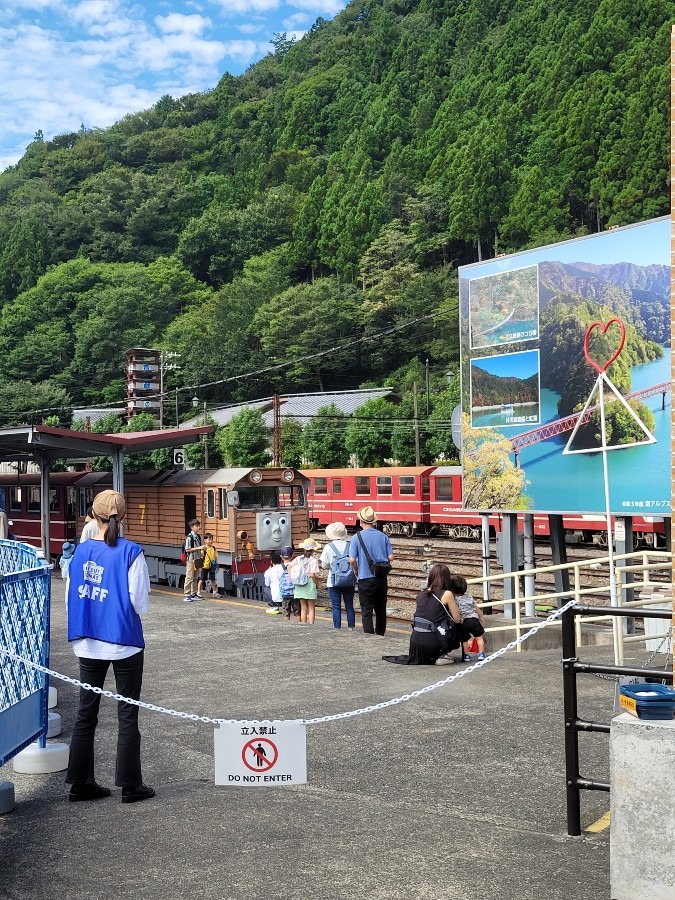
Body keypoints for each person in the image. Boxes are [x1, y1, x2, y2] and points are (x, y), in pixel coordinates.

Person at [64, 489, 154, 803]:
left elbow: (69, 596)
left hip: (87, 642)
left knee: (85, 714)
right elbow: (139, 603)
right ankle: (130, 785)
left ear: (94, 514)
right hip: (124, 642)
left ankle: (80, 783)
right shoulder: (131, 552)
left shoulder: (80, 551)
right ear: (124, 516)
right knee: (127, 714)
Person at [383, 563, 461, 665]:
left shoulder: (421, 594)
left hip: (416, 645)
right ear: (447, 578)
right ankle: (439, 655)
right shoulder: (447, 594)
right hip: (431, 643)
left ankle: (435, 655)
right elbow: (457, 619)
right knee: (458, 627)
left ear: (431, 577)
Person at [349, 506, 393, 636]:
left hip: (365, 578)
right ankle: (380, 634)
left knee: (366, 610)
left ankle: (369, 635)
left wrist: (356, 569)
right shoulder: (383, 536)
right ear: (373, 521)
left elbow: (352, 559)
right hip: (381, 578)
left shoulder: (357, 537)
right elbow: (391, 557)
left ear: (361, 521)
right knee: (380, 610)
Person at [320, 521, 355, 631]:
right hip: (349, 580)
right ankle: (351, 628)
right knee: (349, 605)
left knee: (336, 606)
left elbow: (324, 565)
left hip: (333, 581)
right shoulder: (350, 545)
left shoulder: (328, 547)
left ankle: (337, 628)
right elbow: (355, 561)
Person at [448, 573, 486, 662]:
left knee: (464, 640)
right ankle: (481, 654)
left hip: (463, 622)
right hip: (473, 620)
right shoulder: (469, 596)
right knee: (479, 637)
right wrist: (480, 616)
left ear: (451, 590)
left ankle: (466, 655)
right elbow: (475, 607)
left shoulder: (453, 599)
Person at [292, 538, 321, 625]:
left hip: (299, 583)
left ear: (304, 549)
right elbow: (312, 575)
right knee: (311, 607)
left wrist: (292, 576)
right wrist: (318, 584)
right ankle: (311, 624)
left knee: (303, 607)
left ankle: (304, 624)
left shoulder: (298, 559)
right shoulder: (313, 560)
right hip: (309, 583)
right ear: (313, 551)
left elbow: (289, 566)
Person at [183, 518, 205, 602]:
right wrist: (199, 547)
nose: (199, 527)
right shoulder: (189, 537)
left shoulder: (198, 537)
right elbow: (187, 549)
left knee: (195, 577)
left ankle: (193, 593)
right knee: (189, 577)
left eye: (199, 526)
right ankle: (187, 594)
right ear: (192, 527)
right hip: (191, 559)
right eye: (197, 526)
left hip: (197, 559)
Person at [279, 546, 300, 622]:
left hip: (285, 593)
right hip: (295, 592)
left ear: (281, 556)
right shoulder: (295, 566)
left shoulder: (279, 567)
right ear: (293, 555)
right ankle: (299, 624)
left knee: (286, 611)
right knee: (297, 610)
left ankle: (287, 625)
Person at [264, 550, 283, 615]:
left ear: (271, 561)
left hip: (276, 599)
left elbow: (267, 584)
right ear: (281, 560)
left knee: (266, 588)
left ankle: (274, 606)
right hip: (288, 597)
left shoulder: (268, 572)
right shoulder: (286, 568)